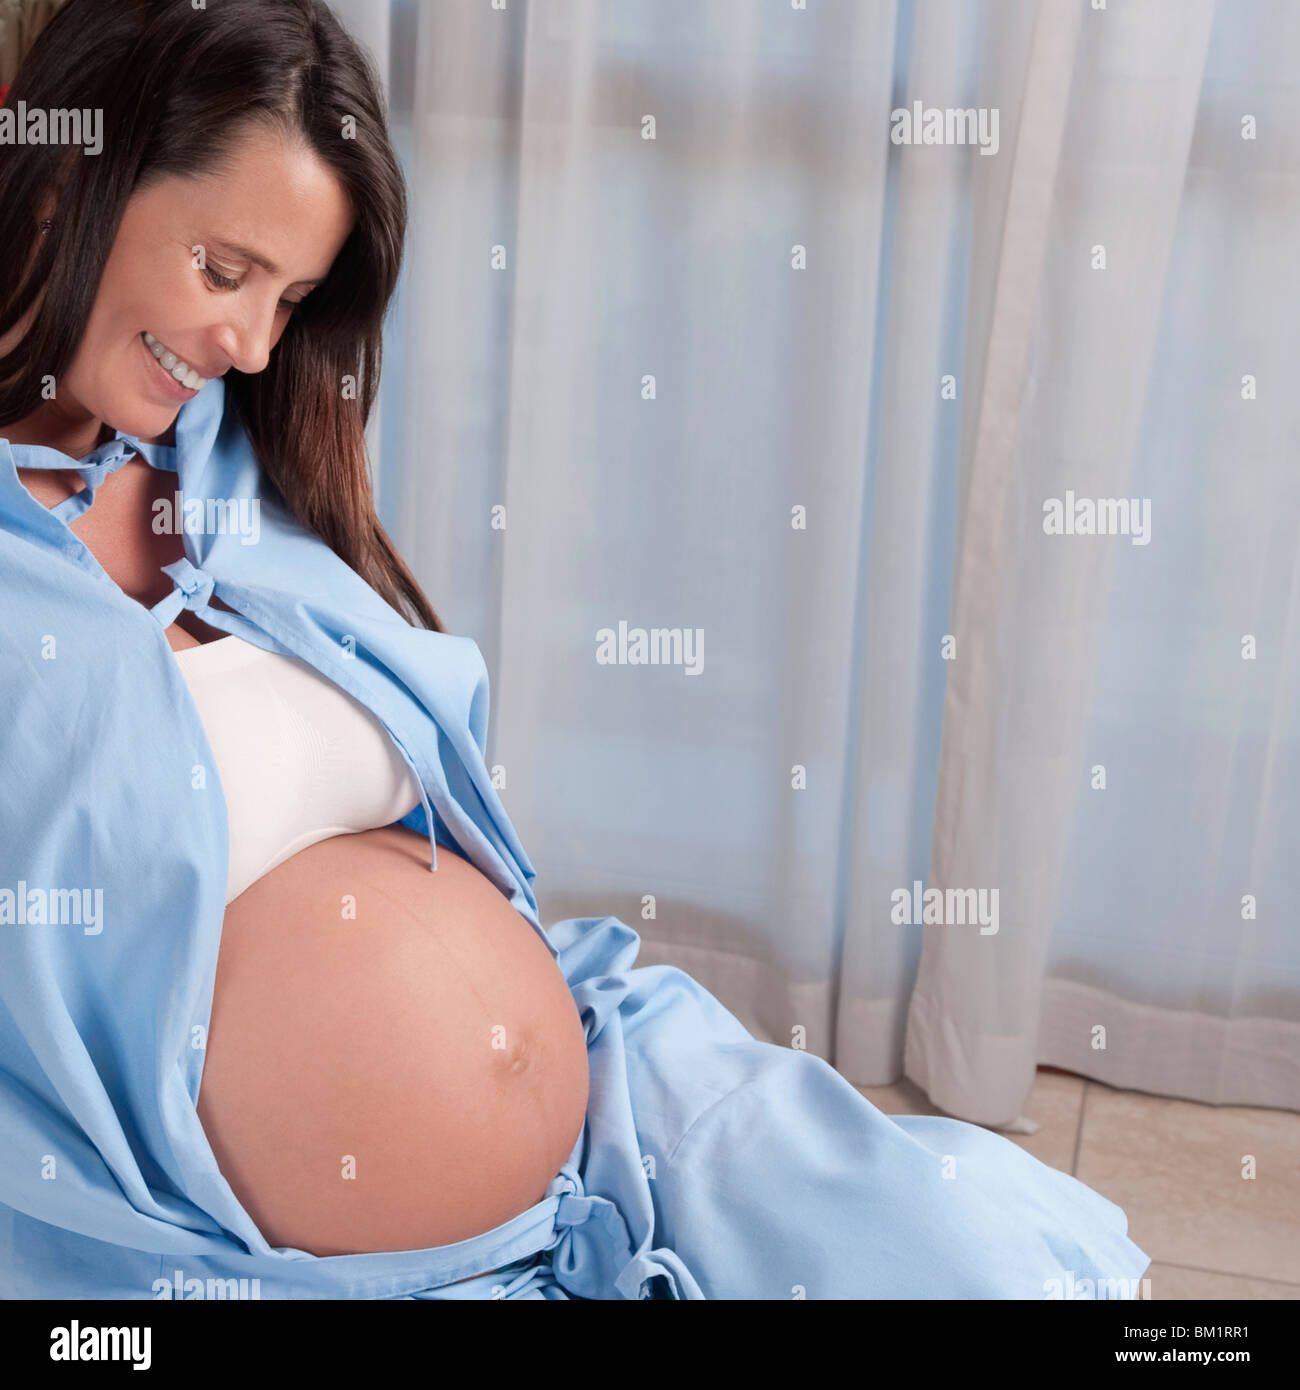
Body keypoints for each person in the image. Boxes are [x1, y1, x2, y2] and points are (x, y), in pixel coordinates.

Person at [0, 0, 1149, 1300]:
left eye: (294, 297)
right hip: (245, 1255)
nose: (253, 346)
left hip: (619, 1101)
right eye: (225, 269)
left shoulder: (238, 477)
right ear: (64, 180)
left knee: (990, 1272)